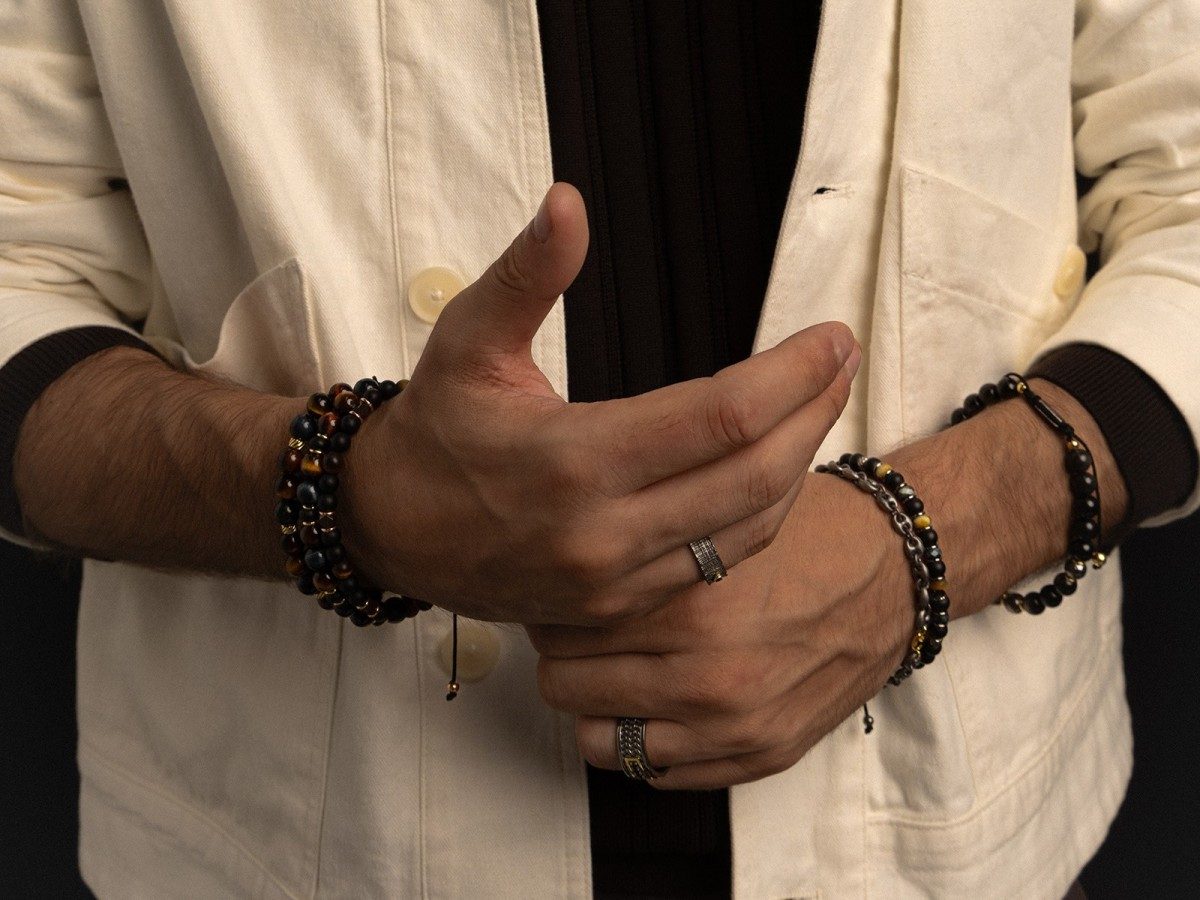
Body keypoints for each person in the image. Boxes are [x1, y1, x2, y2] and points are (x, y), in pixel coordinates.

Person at [2, 1, 1197, 897]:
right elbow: (20, 268)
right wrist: (343, 495)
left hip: (959, 844)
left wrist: (918, 549)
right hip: (292, 848)